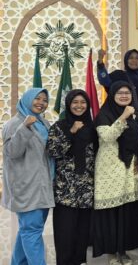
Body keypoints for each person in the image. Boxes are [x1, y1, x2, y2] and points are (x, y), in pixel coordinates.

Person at [91, 81, 138, 264]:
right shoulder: (104, 114)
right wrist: (123, 116)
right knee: (111, 214)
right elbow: (107, 137)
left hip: (129, 168)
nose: (124, 96)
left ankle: (123, 250)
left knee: (125, 213)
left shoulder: (136, 115)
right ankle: (112, 253)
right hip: (110, 169)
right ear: (112, 95)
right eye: (120, 93)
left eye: (127, 92)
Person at [2, 88, 54, 265]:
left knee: (29, 230)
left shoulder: (43, 123)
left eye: (44, 100)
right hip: (25, 188)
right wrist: (24, 127)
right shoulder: (14, 124)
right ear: (27, 99)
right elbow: (12, 153)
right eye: (37, 98)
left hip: (43, 186)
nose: (41, 103)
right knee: (31, 231)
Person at [47, 90, 97, 265]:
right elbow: (53, 151)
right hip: (65, 190)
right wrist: (71, 132)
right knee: (65, 234)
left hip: (86, 189)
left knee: (82, 234)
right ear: (68, 104)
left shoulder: (92, 128)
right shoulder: (59, 126)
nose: (79, 106)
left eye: (83, 102)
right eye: (75, 102)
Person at [98, 48, 138, 115]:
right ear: (126, 60)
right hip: (121, 115)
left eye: (137, 58)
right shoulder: (118, 75)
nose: (134, 60)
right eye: (131, 58)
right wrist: (100, 62)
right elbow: (104, 80)